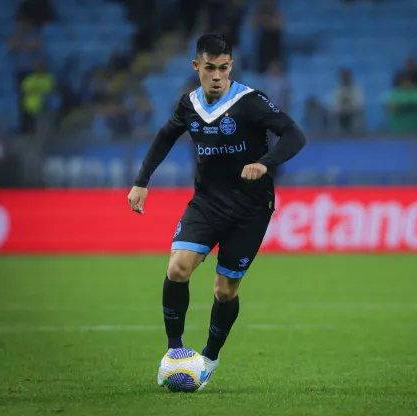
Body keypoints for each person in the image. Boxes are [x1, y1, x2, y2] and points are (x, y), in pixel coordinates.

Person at [127, 33, 306, 391]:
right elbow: (164, 137)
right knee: (177, 267)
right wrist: (142, 180)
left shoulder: (250, 102)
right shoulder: (189, 105)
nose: (217, 75)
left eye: (223, 68)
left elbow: (294, 135)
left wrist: (265, 163)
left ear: (230, 67)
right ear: (197, 67)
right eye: (209, 68)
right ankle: (175, 352)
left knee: (225, 291)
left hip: (251, 210)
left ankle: (208, 357)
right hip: (207, 203)